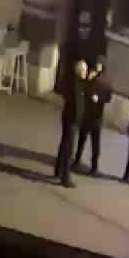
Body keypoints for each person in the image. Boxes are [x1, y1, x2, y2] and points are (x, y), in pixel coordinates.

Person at [75, 57, 110, 175]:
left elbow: (108, 97)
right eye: (96, 64)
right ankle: (77, 160)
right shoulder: (90, 76)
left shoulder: (105, 81)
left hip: (96, 116)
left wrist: (99, 98)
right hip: (87, 113)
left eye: (99, 65)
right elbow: (84, 90)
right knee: (82, 138)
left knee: (95, 143)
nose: (96, 66)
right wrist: (88, 80)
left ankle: (94, 167)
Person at [54, 59, 83, 187]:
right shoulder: (77, 85)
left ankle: (58, 171)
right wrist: (78, 120)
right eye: (85, 70)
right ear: (80, 71)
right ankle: (65, 177)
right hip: (72, 119)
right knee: (68, 148)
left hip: (67, 116)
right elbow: (76, 105)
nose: (86, 73)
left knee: (64, 145)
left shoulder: (73, 82)